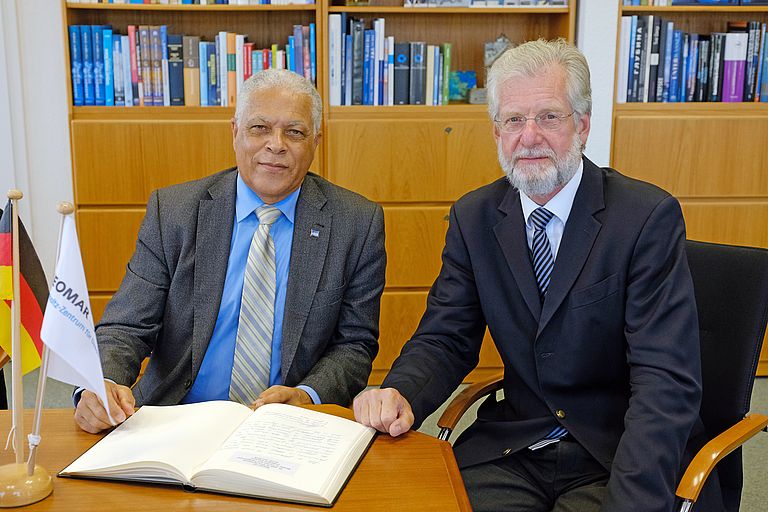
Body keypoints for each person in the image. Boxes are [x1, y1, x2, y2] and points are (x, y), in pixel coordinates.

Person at [354, 39, 722, 512]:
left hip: (616, 451)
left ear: (583, 126)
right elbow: (446, 337)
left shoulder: (646, 217)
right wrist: (400, 392)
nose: (529, 137)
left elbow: (664, 380)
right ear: (496, 132)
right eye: (514, 120)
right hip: (515, 446)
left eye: (549, 116)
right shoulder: (475, 217)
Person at [75, 69, 386, 434]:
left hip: (289, 427)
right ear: (235, 132)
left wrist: (307, 395)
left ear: (316, 141)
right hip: (176, 417)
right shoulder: (174, 212)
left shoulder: (357, 224)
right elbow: (126, 326)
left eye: (295, 132)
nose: (276, 144)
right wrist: (102, 384)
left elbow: (354, 345)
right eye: (259, 128)